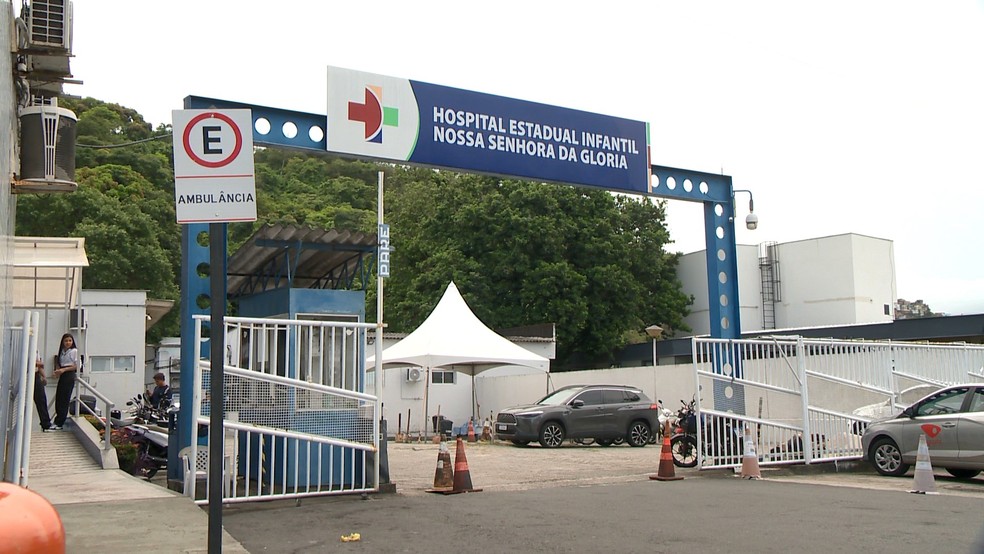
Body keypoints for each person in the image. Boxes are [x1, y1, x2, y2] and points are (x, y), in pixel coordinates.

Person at [50, 333, 79, 430]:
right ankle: (58, 420)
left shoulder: (74, 351)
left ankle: (60, 422)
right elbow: (60, 364)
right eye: (66, 341)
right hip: (62, 374)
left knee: (64, 398)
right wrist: (58, 372)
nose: (68, 343)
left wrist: (64, 370)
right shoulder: (62, 352)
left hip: (69, 374)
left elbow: (77, 366)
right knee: (59, 398)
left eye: (70, 341)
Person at [32, 355, 52, 431]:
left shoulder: (36, 350)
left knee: (41, 399)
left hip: (36, 374)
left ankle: (46, 424)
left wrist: (44, 376)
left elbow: (40, 365)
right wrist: (37, 363)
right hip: (25, 374)